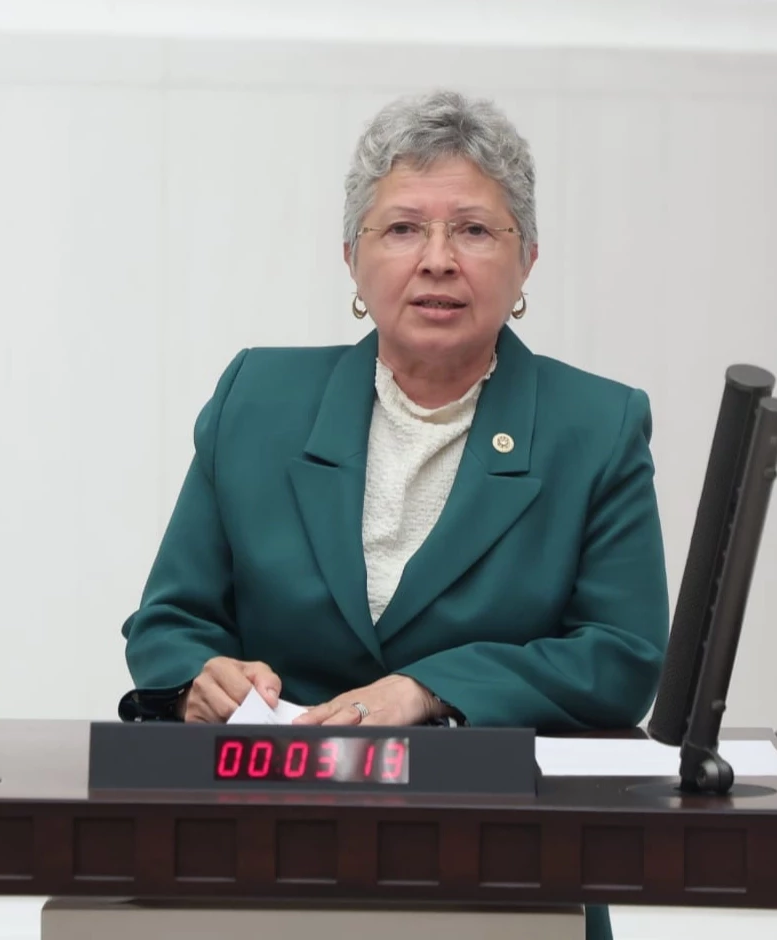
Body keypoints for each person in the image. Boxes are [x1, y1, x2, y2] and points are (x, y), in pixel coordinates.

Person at [119, 89, 669, 940]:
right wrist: (200, 676)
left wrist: (431, 692)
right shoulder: (258, 398)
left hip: (502, 861)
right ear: (351, 256)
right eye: (403, 228)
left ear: (526, 260)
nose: (437, 261)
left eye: (474, 230)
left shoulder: (595, 426)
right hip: (269, 845)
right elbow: (169, 620)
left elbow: (620, 656)